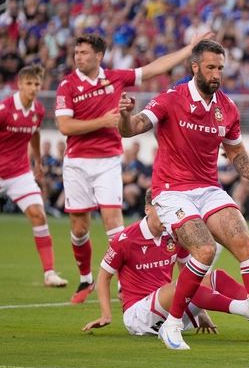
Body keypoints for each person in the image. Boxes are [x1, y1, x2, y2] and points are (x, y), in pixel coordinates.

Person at [116, 39, 249, 352]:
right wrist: (124, 115)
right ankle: (172, 325)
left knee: (246, 244)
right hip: (172, 192)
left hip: (208, 189)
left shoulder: (227, 108)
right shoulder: (171, 99)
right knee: (203, 250)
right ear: (195, 67)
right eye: (211, 67)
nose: (216, 74)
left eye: (220, 68)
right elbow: (132, 128)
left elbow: (235, 150)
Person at [56, 31, 213, 304]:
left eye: (83, 53)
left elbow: (154, 68)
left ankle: (123, 281)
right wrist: (102, 122)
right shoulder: (67, 86)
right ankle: (85, 278)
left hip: (108, 160)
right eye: (76, 52)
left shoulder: (115, 77)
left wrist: (189, 48)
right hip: (77, 163)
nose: (77, 57)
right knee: (80, 228)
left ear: (99, 56)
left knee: (113, 223)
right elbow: (64, 126)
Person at [82, 190, 249, 336]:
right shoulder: (126, 239)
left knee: (213, 277)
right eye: (161, 208)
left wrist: (201, 311)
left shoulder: (173, 235)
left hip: (172, 312)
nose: (166, 213)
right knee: (184, 285)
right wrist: (106, 314)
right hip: (140, 316)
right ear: (148, 208)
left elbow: (190, 272)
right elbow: (103, 277)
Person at [0, 65, 68, 287]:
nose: (33, 88)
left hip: (19, 173)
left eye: (36, 84)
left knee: (39, 215)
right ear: (19, 84)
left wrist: (38, 162)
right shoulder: (4, 110)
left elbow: (34, 134)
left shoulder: (38, 111)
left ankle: (49, 273)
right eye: (28, 83)